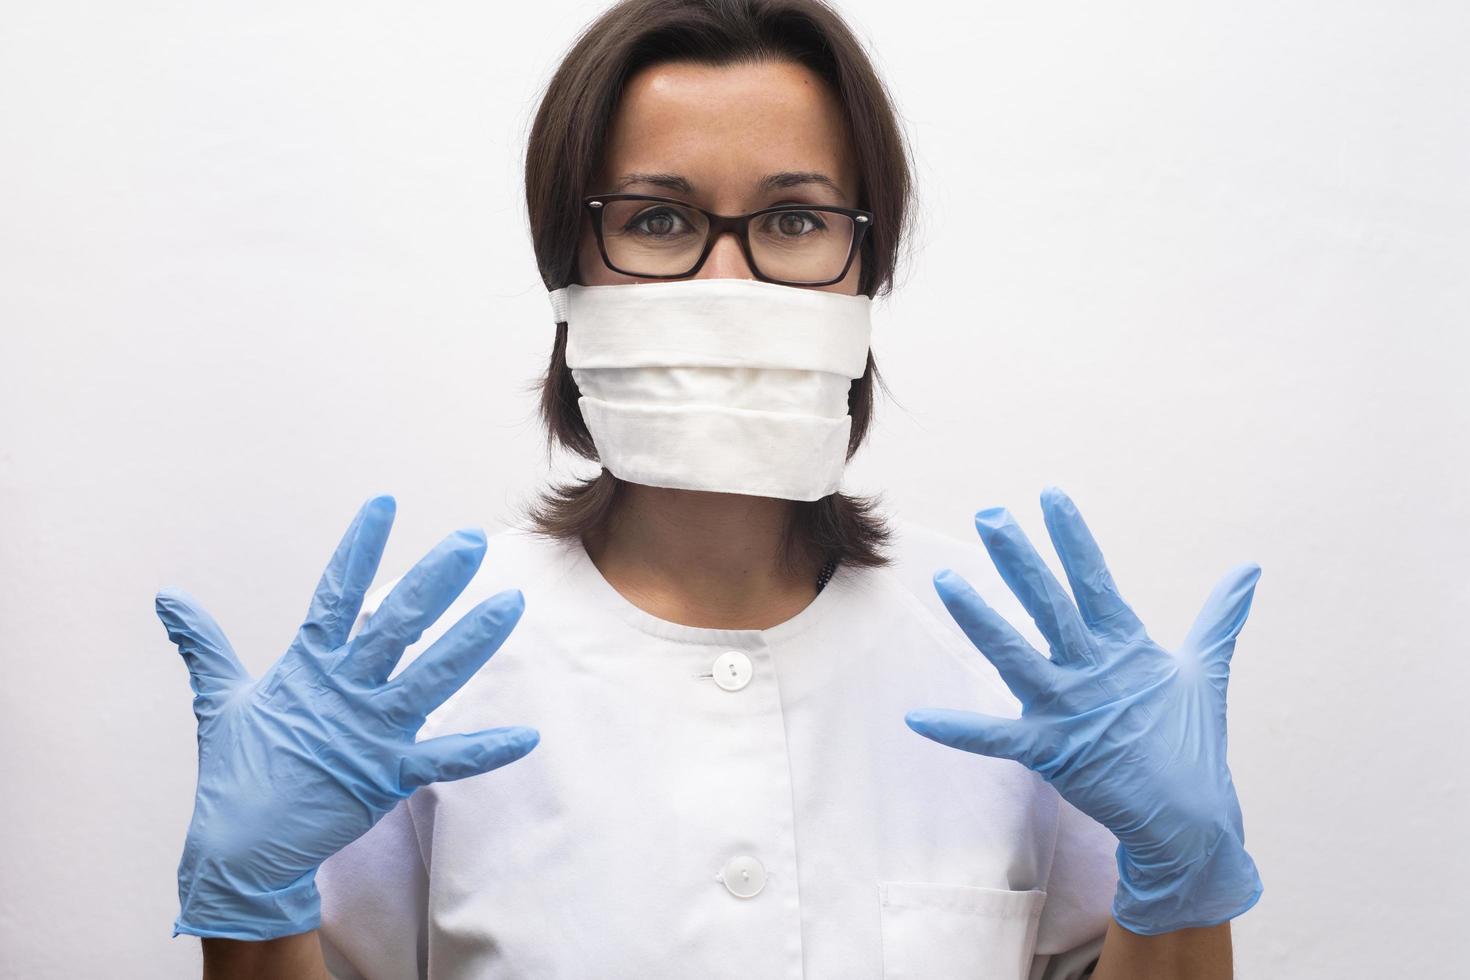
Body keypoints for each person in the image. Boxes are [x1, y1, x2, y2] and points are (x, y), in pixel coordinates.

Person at [155, 2, 1263, 977]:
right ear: (569, 266)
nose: (726, 279)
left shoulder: (1018, 668)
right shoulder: (419, 685)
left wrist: (1183, 876)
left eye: (793, 220)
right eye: (658, 218)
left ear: (863, 269)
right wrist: (252, 914)